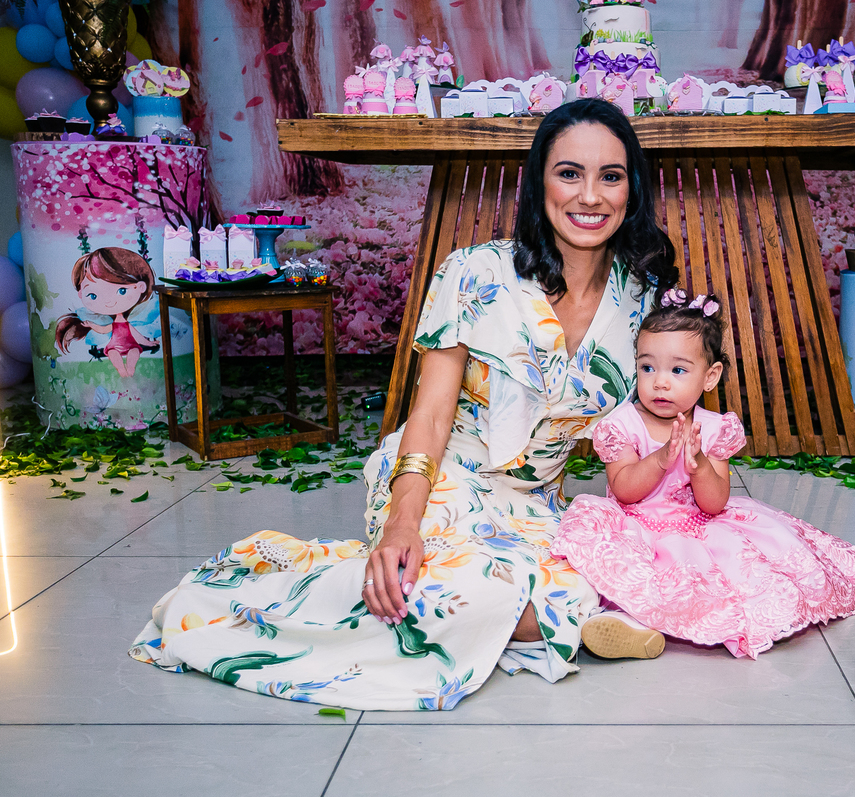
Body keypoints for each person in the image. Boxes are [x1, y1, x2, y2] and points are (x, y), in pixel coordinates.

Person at [128, 98, 678, 710]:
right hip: (441, 478)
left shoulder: (644, 296)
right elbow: (432, 415)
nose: (590, 196)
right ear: (538, 183)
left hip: (538, 506)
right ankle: (268, 598)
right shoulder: (474, 273)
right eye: (569, 173)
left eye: (611, 176)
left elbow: (654, 417)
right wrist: (401, 523)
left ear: (632, 188)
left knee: (607, 577)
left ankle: (535, 612)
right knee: (432, 584)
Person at [551, 290, 855, 660]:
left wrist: (700, 464)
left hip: (696, 526)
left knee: (723, 578)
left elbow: (714, 503)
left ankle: (647, 623)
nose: (660, 382)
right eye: (647, 368)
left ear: (710, 377)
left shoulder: (714, 428)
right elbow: (624, 490)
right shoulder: (621, 424)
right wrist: (660, 459)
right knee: (615, 566)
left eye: (677, 370)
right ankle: (624, 618)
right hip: (635, 523)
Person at [55, 247, 160, 378]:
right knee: (113, 353)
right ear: (81, 294)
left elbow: (137, 336)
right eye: (93, 295)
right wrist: (91, 325)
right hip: (114, 346)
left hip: (130, 344)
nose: (109, 302)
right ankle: (121, 370)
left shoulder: (128, 323)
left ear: (141, 287)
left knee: (134, 352)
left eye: (122, 291)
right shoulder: (113, 324)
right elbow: (103, 329)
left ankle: (130, 369)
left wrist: (149, 343)